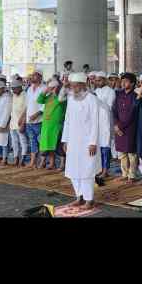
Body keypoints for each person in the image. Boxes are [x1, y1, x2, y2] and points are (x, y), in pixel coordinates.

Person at [61, 73, 100, 210]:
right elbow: (67, 120)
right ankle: (79, 197)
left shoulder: (91, 99)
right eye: (72, 86)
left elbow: (95, 122)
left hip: (87, 141)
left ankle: (89, 200)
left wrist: (93, 142)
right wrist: (65, 140)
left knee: (87, 170)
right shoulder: (71, 98)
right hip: (73, 140)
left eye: (76, 86)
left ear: (83, 85)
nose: (74, 88)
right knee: (73, 170)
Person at [112, 73, 140, 182]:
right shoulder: (119, 95)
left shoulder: (135, 96)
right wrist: (116, 124)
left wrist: (120, 126)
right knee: (122, 153)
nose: (123, 83)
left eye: (126, 81)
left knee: (131, 153)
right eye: (122, 81)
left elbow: (132, 114)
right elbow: (114, 110)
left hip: (130, 128)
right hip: (118, 127)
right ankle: (124, 174)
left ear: (132, 84)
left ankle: (132, 175)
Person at [37, 78, 67, 170]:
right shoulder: (49, 97)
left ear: (56, 88)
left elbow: (61, 99)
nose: (50, 89)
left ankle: (62, 164)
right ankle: (52, 163)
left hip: (56, 126)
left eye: (51, 88)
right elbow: (39, 100)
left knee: (58, 145)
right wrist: (45, 91)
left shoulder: (62, 97)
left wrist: (57, 90)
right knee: (49, 145)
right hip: (46, 125)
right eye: (49, 88)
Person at [92, 71, 115, 180]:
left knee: (105, 147)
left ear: (104, 80)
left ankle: (105, 170)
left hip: (106, 122)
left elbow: (109, 107)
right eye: (96, 80)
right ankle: (100, 169)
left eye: (99, 80)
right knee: (98, 148)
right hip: (96, 122)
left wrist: (97, 99)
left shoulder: (110, 91)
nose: (97, 82)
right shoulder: (96, 91)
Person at [24, 70, 46, 168]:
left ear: (40, 77)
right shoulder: (29, 89)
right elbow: (27, 105)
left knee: (41, 141)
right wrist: (24, 117)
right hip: (29, 120)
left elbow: (45, 105)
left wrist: (36, 114)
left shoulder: (44, 88)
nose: (32, 77)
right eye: (32, 75)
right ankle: (33, 162)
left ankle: (43, 161)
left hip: (39, 120)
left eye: (35, 75)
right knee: (32, 141)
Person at [7, 78, 27, 166]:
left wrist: (23, 122)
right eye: (12, 89)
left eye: (14, 89)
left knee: (23, 141)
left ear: (19, 87)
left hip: (21, 122)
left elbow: (26, 110)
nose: (13, 91)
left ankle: (23, 159)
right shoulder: (14, 96)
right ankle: (16, 158)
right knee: (14, 142)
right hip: (13, 122)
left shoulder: (25, 95)